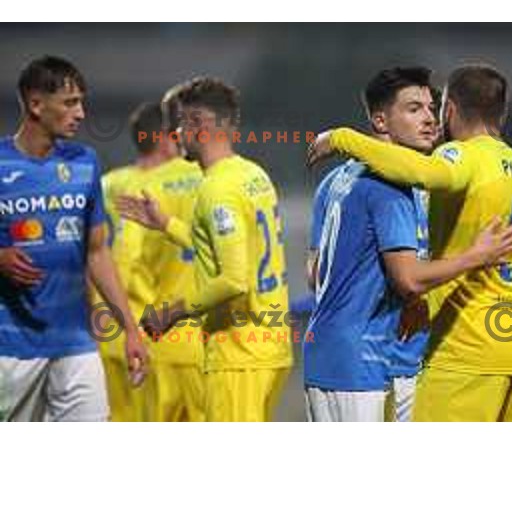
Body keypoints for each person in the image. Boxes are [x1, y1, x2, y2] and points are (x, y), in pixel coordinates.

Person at [308, 64, 512, 422]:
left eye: (431, 107)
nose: (429, 119)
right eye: (413, 108)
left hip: (469, 352)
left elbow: (423, 173)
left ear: (448, 110)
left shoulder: (459, 157)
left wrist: (341, 138)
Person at [118, 77, 293, 422]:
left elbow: (232, 280)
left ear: (198, 126)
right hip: (271, 347)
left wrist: (171, 313)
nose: (176, 134)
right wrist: (167, 224)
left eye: (180, 124)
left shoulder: (217, 189)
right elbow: (226, 251)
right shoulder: (252, 173)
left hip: (238, 355)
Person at [0, 55, 147, 422]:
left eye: (81, 101)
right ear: (35, 104)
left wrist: (130, 330)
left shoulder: (85, 162)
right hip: (11, 349)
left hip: (76, 344)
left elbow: (97, 253)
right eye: (70, 102)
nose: (80, 113)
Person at [97, 96, 205, 421]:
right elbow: (126, 259)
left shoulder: (106, 184)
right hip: (159, 330)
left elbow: (102, 256)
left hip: (107, 325)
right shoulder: (196, 176)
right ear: (165, 137)